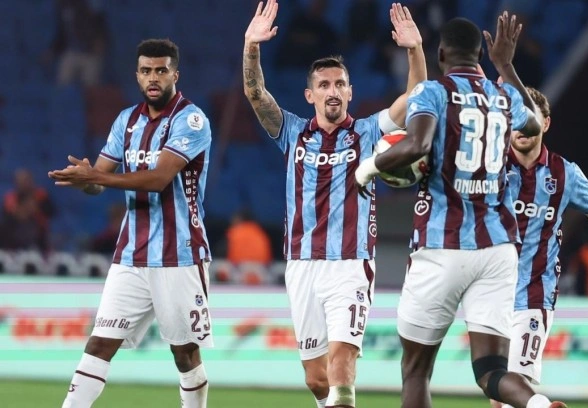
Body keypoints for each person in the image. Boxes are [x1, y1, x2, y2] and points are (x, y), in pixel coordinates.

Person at [356, 13, 565, 408]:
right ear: (481, 56)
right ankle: (537, 405)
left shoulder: (432, 93)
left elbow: (417, 145)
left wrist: (368, 168)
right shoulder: (503, 96)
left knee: (416, 370)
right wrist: (506, 66)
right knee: (491, 371)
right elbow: (535, 124)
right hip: (498, 249)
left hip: (442, 244)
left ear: (441, 54)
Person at [242, 1, 426, 407]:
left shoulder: (367, 132)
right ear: (310, 94)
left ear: (350, 92)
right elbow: (255, 94)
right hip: (301, 265)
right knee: (316, 379)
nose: (333, 91)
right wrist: (251, 46)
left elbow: (416, 98)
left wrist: (414, 50)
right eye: (324, 85)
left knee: (342, 360)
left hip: (350, 264)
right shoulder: (292, 132)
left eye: (340, 84)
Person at [48, 38, 213, 408]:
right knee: (99, 343)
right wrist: (84, 178)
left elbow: (158, 179)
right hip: (131, 256)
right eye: (145, 71)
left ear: (175, 74)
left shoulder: (191, 120)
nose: (153, 77)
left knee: (184, 354)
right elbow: (98, 182)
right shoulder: (126, 120)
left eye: (161, 70)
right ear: (137, 75)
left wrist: (97, 177)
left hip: (179, 254)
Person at [489, 86, 588, 408]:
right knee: (499, 394)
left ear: (545, 123)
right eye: (515, 118)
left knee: (513, 385)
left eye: (530, 118)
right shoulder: (490, 165)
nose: (521, 127)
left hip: (534, 294)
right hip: (489, 292)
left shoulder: (564, 174)